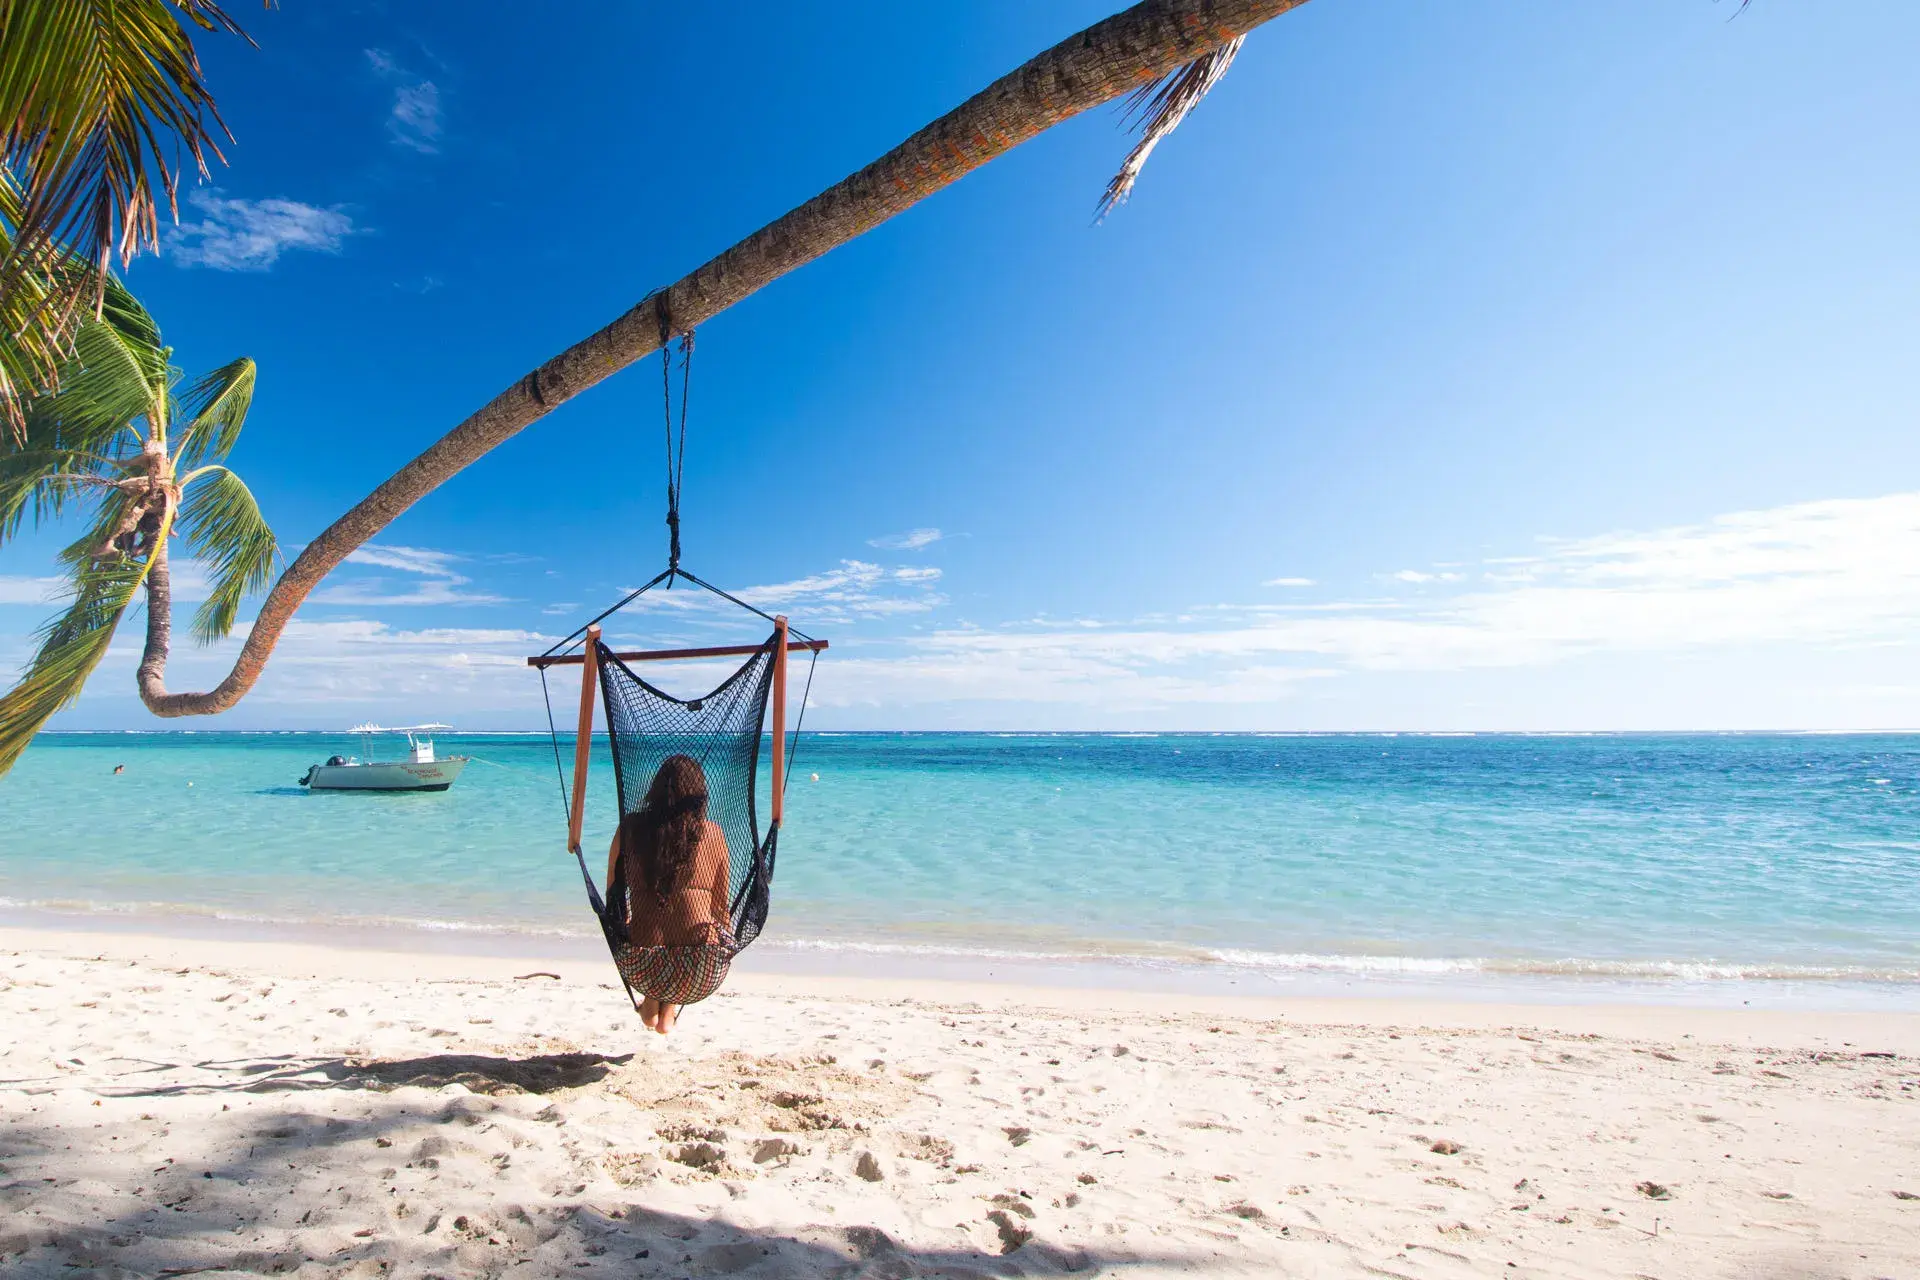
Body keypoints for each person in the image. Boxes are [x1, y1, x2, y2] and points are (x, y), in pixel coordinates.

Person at [605, 754, 733, 1034]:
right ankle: (668, 1009)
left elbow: (612, 896)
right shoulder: (713, 834)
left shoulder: (630, 829)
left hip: (641, 962)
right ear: (700, 795)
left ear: (655, 791)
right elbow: (722, 907)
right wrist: (727, 943)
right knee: (694, 934)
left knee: (651, 937)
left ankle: (652, 1002)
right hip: (699, 968)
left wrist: (622, 932)